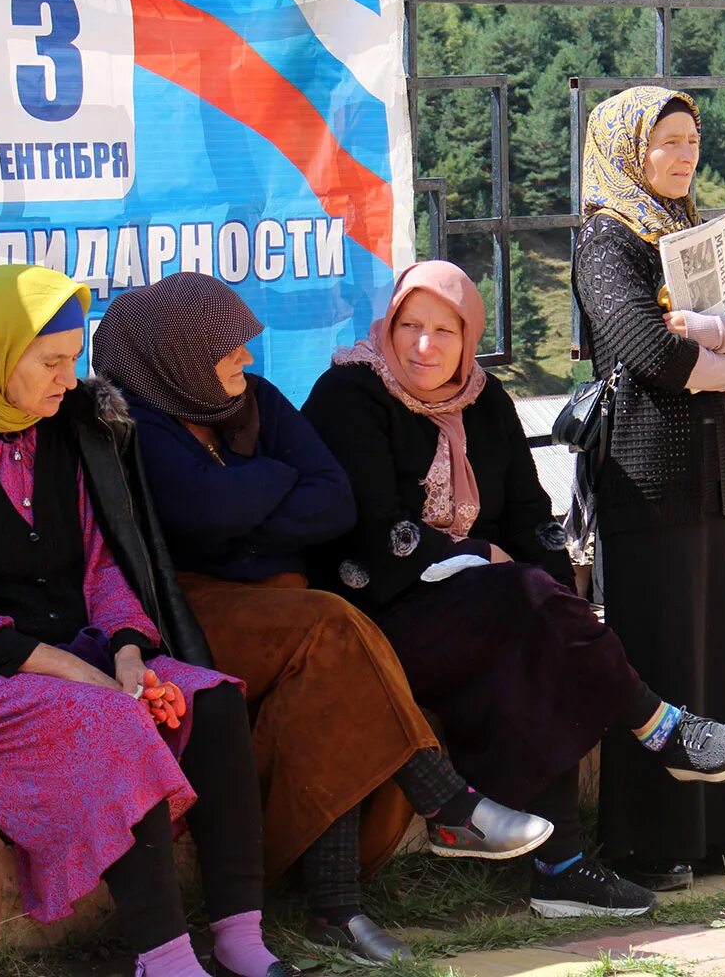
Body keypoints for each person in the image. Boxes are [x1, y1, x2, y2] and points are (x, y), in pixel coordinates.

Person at [90, 273, 553, 962]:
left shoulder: (256, 401)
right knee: (331, 626)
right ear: (180, 356)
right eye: (229, 351)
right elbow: (201, 515)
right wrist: (275, 487)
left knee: (324, 685)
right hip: (196, 608)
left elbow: (332, 500)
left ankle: (335, 913)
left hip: (285, 596)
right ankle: (449, 804)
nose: (246, 362)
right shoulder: (136, 423)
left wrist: (244, 508)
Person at [301, 260, 725, 918]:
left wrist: (530, 573)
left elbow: (529, 514)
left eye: (444, 332)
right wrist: (478, 558)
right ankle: (656, 735)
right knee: (528, 608)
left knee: (541, 625)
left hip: (484, 605)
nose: (423, 347)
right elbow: (370, 525)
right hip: (379, 611)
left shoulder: (484, 402)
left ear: (469, 339)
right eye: (409, 326)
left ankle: (562, 870)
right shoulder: (350, 395)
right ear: (388, 325)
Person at [0, 265, 296, 977]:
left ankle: (240, 935)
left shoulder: (69, 429)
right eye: (51, 361)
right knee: (108, 721)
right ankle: (165, 959)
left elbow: (107, 569)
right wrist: (93, 681)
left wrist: (131, 657)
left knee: (214, 698)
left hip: (80, 660)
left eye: (74, 358)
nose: (68, 378)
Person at [573, 85, 725, 891]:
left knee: (716, 649)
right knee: (661, 650)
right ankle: (655, 841)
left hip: (709, 475)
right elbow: (641, 347)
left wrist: (721, 349)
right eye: (668, 142)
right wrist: (724, 367)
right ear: (629, 151)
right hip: (645, 474)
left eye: (692, 140)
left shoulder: (694, 232)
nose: (685, 154)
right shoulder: (606, 236)